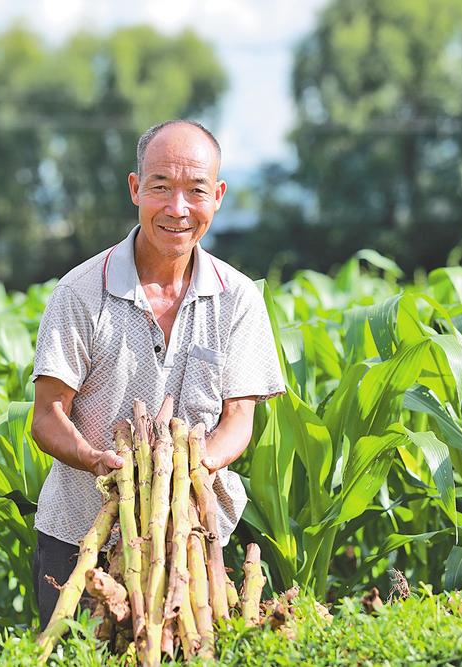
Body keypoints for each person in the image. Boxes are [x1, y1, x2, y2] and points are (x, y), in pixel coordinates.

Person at [29, 119, 285, 628]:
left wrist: (192, 467)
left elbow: (239, 418)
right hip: (82, 538)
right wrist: (94, 459)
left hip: (195, 538)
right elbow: (47, 416)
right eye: (161, 187)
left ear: (218, 196)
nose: (177, 208)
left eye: (196, 191)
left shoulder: (238, 299)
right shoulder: (81, 292)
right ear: (135, 189)